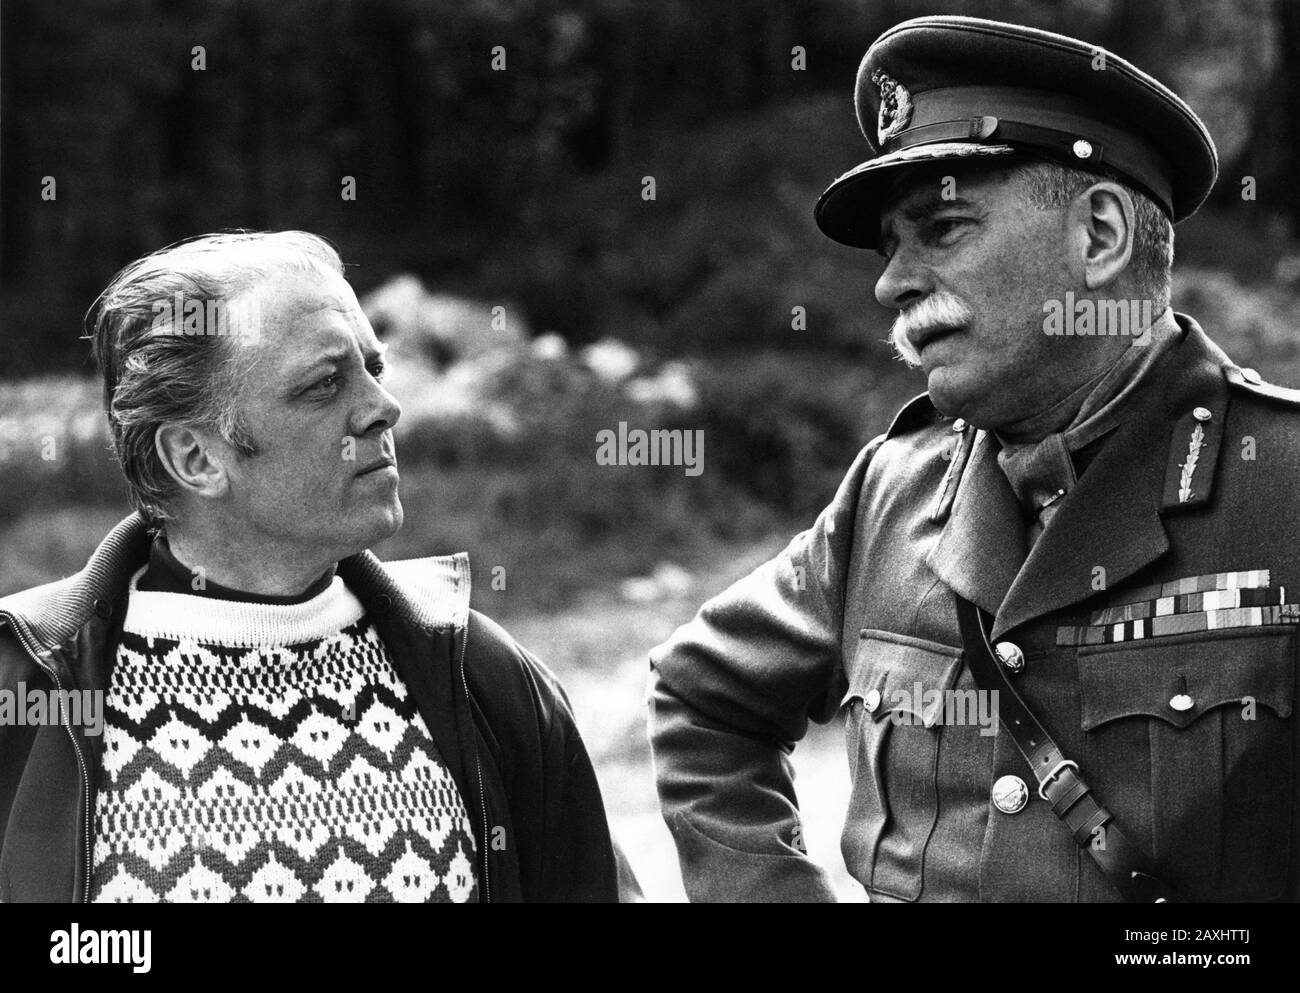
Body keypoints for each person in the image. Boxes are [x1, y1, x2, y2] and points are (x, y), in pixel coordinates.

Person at [649, 15, 1300, 902]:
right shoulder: (892, 488)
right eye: (889, 247)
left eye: (942, 228)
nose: (892, 283)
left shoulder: (1284, 481)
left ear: (1100, 237)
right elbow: (700, 698)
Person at [0, 230, 631, 902]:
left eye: (374, 368)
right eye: (324, 384)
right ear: (196, 458)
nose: (383, 408)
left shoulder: (480, 674)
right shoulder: (30, 684)